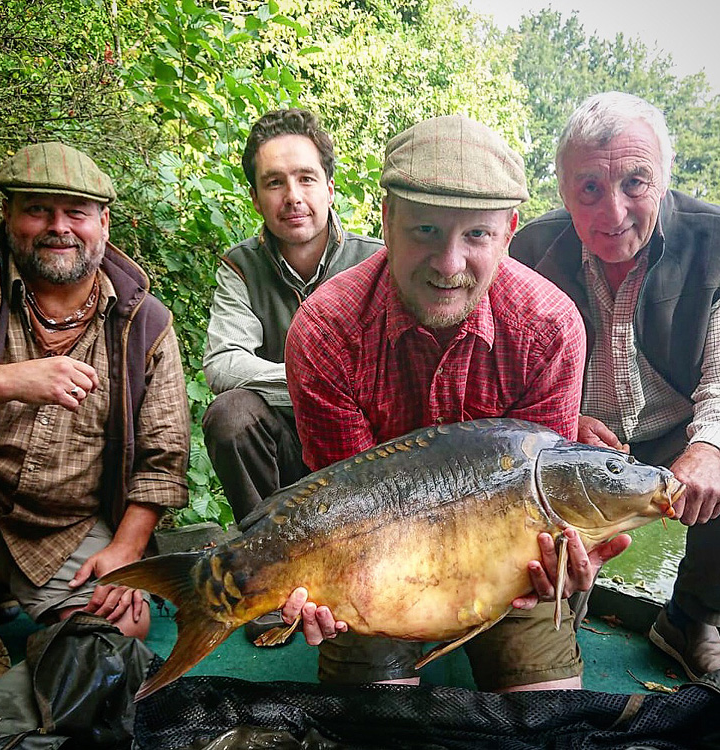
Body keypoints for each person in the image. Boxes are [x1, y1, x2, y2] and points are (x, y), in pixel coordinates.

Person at [280, 114, 628, 692]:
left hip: (507, 569)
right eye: (425, 231)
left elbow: (544, 502)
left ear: (510, 231)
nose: (448, 263)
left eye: (476, 236)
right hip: (376, 556)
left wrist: (562, 563)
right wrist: (329, 588)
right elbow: (348, 511)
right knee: (379, 723)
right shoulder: (325, 329)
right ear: (387, 220)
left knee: (544, 719)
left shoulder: (551, 328)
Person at [510, 91, 720, 681]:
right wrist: (565, 420)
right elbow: (511, 368)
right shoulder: (529, 249)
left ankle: (690, 617)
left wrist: (708, 445)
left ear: (664, 182)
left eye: (635, 182)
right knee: (544, 589)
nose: (613, 212)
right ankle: (556, 609)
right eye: (590, 190)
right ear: (564, 191)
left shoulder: (714, 240)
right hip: (575, 436)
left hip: (676, 428)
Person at [0, 142, 190, 692]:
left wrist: (125, 550)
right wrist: (9, 380)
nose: (58, 227)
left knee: (124, 624)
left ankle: (38, 634)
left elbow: (165, 458)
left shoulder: (145, 324)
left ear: (103, 223)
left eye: (76, 213)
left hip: (63, 527)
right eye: (38, 210)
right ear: (9, 217)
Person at [202, 108, 381, 524]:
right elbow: (223, 364)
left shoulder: (376, 261)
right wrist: (318, 386)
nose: (293, 197)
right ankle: (268, 548)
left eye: (305, 178)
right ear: (255, 198)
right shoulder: (241, 267)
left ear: (330, 188)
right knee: (230, 415)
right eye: (274, 183)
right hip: (282, 450)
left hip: (366, 450)